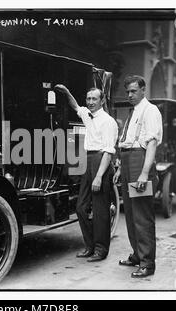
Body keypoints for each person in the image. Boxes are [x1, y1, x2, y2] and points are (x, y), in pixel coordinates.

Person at [55, 84, 118, 262]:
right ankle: (89, 246)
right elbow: (75, 106)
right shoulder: (87, 115)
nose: (90, 102)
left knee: (100, 210)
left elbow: (108, 151)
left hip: (101, 162)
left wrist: (98, 176)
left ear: (102, 100)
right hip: (88, 160)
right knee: (81, 208)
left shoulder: (108, 122)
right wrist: (67, 92)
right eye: (88, 99)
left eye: (94, 99)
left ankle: (101, 250)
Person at [114, 75, 162, 278]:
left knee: (142, 215)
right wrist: (119, 169)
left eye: (134, 91)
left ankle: (147, 263)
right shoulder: (133, 112)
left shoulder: (150, 110)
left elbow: (151, 143)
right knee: (131, 214)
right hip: (127, 162)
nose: (130, 95)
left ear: (143, 90)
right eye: (128, 92)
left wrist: (143, 172)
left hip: (139, 162)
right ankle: (137, 255)